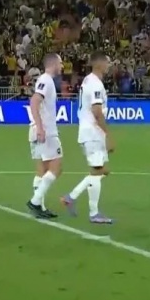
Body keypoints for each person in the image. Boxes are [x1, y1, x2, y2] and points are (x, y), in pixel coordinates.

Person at [62, 52, 114, 224]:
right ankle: (86, 208)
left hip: (89, 132)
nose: (109, 65)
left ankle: (74, 199)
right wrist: (108, 135)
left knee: (99, 171)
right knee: (98, 172)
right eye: (107, 62)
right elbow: (97, 112)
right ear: (99, 64)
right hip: (93, 133)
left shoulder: (87, 80)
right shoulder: (95, 84)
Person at [26, 53, 63, 219]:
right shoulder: (46, 80)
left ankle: (40, 207)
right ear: (53, 64)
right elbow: (34, 101)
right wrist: (41, 128)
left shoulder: (45, 81)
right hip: (45, 131)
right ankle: (35, 202)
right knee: (56, 168)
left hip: (36, 130)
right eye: (60, 63)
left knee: (42, 170)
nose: (62, 66)